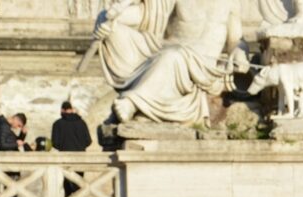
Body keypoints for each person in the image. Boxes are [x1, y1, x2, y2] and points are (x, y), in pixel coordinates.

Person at [94, 0, 250, 126]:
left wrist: (239, 53)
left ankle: (133, 102)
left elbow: (236, 40)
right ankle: (144, 97)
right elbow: (144, 15)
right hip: (166, 53)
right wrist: (106, 19)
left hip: (202, 68)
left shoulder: (231, 2)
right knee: (115, 30)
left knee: (174, 57)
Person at [51, 101, 92, 197]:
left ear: (62, 110)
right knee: (79, 184)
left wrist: (63, 147)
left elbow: (55, 143)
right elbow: (88, 141)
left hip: (65, 158)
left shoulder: (57, 124)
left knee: (66, 185)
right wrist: (80, 147)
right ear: (71, 110)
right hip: (80, 158)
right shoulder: (82, 123)